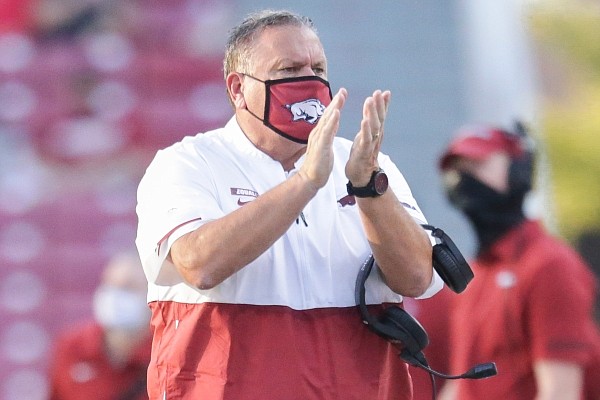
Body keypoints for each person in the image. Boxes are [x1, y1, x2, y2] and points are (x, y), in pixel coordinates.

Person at [135, 9, 444, 400]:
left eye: (318, 68)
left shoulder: (365, 164)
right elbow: (199, 265)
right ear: (237, 89)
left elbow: (417, 278)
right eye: (288, 70)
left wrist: (369, 188)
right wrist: (305, 182)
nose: (309, 81)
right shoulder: (187, 163)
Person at [436, 124, 600, 400]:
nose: (463, 181)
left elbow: (560, 393)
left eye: (477, 165)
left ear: (519, 171)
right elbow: (465, 384)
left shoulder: (549, 265)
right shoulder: (475, 275)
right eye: (458, 171)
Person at [49, 251, 152, 400]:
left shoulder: (165, 351)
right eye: (109, 284)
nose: (115, 295)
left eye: (128, 287)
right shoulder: (72, 346)